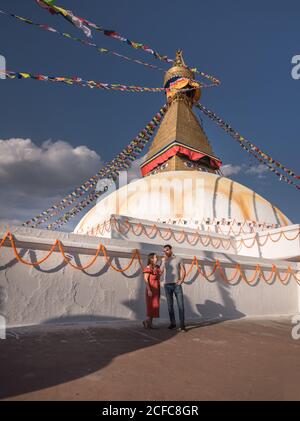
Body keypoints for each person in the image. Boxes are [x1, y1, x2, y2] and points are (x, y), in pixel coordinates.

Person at [161, 245, 187, 332]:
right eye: (164, 251)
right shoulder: (164, 260)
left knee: (181, 306)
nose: (165, 252)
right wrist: (162, 262)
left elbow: (183, 270)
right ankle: (173, 323)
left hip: (176, 285)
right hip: (167, 285)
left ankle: (182, 326)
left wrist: (182, 280)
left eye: (167, 250)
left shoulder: (179, 258)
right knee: (170, 306)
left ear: (171, 249)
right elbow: (161, 271)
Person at [142, 253, 161, 329]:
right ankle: (147, 321)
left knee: (155, 306)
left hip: (156, 289)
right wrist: (149, 290)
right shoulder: (148, 268)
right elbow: (146, 279)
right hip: (151, 289)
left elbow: (160, 275)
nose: (157, 258)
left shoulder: (157, 268)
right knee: (151, 306)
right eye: (156, 257)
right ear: (151, 259)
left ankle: (149, 323)